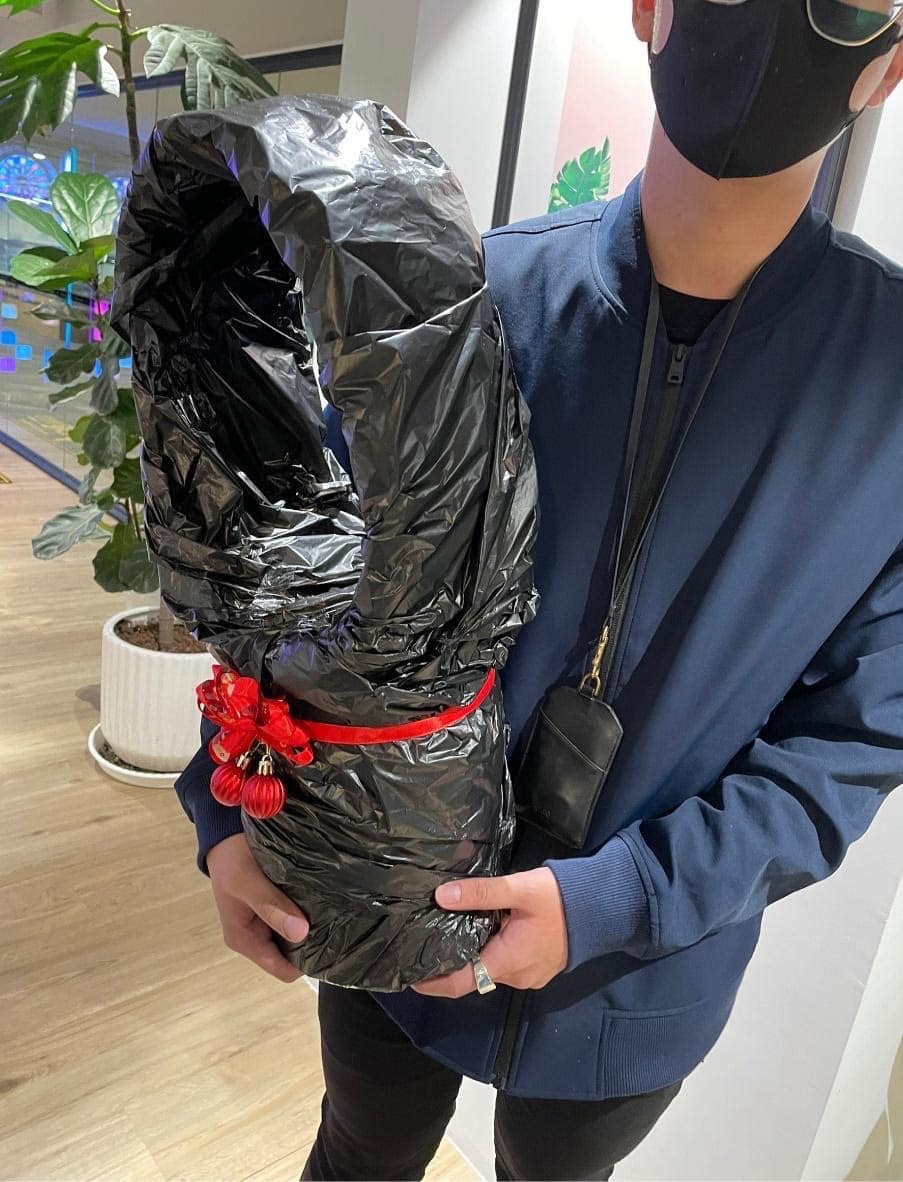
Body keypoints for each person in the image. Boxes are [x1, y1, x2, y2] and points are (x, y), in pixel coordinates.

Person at [173, 1, 903, 1178]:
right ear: (650, 9)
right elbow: (295, 581)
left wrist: (618, 902)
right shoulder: (476, 297)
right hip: (379, 894)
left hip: (636, 979)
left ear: (888, 66)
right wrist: (223, 815)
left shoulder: (891, 385)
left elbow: (853, 743)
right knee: (359, 1153)